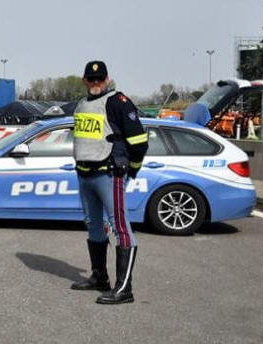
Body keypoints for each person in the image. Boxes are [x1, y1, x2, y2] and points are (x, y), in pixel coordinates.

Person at [70, 61, 148, 304]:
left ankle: (124, 289)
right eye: (91, 79)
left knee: (120, 227)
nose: (96, 83)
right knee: (93, 224)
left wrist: (131, 170)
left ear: (107, 80)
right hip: (85, 174)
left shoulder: (118, 102)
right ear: (84, 80)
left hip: (108, 173)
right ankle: (99, 277)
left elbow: (139, 142)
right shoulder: (81, 104)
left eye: (100, 79)